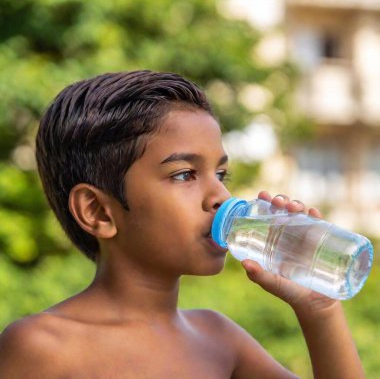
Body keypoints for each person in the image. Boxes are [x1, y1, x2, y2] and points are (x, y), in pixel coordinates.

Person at [0, 70, 364, 378]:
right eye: (184, 174)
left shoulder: (219, 339)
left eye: (221, 173)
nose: (220, 195)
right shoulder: (41, 348)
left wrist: (320, 310)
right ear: (98, 211)